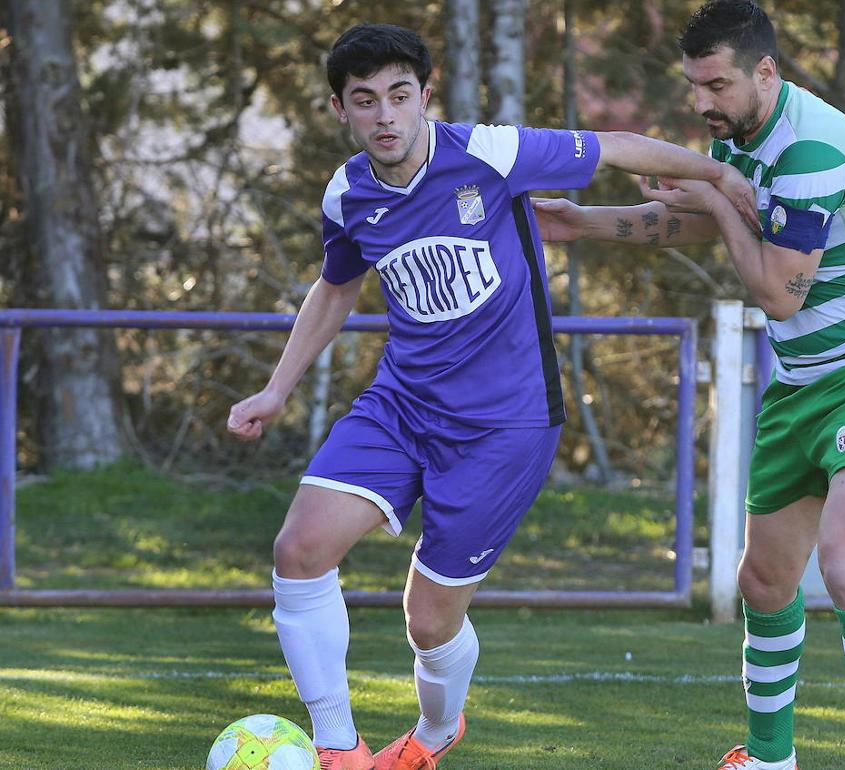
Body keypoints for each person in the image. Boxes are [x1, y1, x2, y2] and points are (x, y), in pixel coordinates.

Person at [226, 22, 754, 770]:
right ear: (341, 110)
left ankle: (435, 735)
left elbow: (617, 145)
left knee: (429, 623)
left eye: (399, 96)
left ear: (425, 98)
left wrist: (720, 178)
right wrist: (278, 389)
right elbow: (336, 286)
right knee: (298, 550)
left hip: (506, 426)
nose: (385, 116)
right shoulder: (347, 193)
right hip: (402, 405)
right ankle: (337, 749)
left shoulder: (489, 154)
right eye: (365, 100)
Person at [535, 2, 845, 769]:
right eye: (694, 85)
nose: (702, 103)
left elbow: (777, 292)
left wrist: (718, 202)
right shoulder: (746, 138)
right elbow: (713, 219)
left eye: (717, 85)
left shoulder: (813, 147)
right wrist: (582, 223)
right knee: (763, 580)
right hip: (802, 384)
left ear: (766, 71)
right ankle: (768, 761)